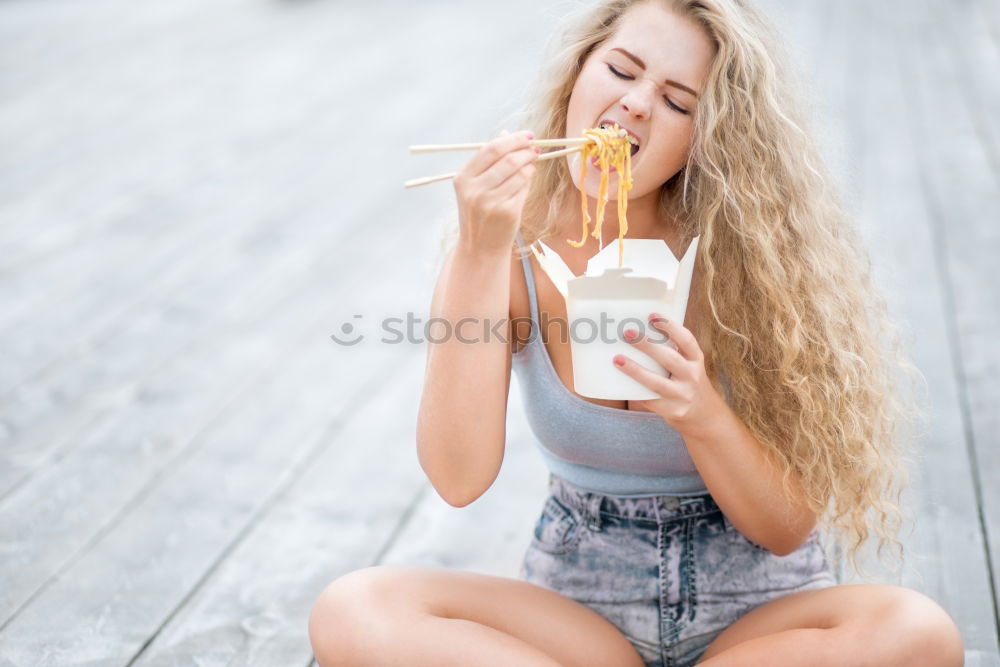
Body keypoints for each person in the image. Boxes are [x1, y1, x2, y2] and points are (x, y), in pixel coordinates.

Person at [308, 1, 966, 665]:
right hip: (580, 615)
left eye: (678, 103)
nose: (638, 104)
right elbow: (457, 477)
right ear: (577, 74)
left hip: (757, 615)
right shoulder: (507, 250)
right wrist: (478, 253)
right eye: (621, 69)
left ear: (710, 136)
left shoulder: (753, 261)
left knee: (920, 631)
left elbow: (786, 528)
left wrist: (702, 412)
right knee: (354, 610)